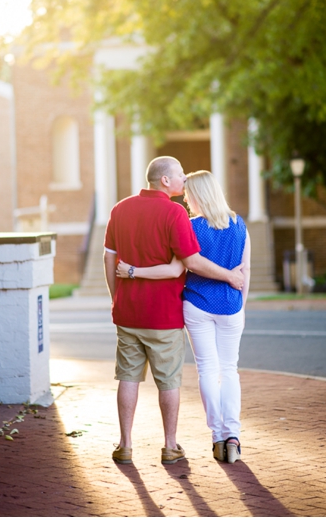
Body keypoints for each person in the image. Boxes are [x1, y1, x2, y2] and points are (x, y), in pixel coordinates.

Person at [103, 156, 245, 466]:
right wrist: (232, 278)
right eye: (180, 174)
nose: (184, 179)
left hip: (128, 313)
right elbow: (188, 263)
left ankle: (125, 445)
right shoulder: (175, 213)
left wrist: (118, 297)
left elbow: (108, 258)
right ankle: (170, 446)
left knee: (127, 378)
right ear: (165, 180)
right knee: (169, 381)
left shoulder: (119, 209)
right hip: (164, 315)